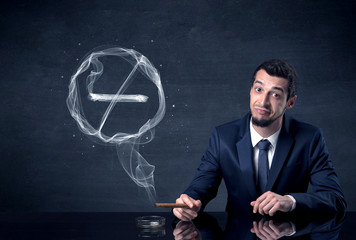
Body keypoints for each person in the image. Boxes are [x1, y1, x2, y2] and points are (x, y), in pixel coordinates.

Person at [173, 59, 346, 221]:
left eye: (276, 95)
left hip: (288, 235)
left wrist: (290, 201)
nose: (263, 102)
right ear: (250, 91)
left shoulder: (309, 137)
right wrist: (188, 203)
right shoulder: (222, 136)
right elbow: (201, 187)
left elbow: (335, 200)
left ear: (290, 102)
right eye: (259, 89)